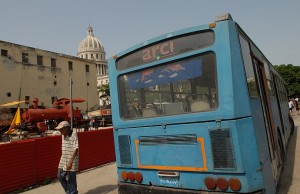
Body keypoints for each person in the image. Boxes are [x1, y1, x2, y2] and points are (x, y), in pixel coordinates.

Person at [56, 121, 79, 194]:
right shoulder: (63, 135)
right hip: (63, 159)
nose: (59, 130)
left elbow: (76, 148)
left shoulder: (73, 134)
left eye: (61, 129)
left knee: (71, 179)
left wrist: (70, 162)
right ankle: (69, 191)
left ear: (66, 128)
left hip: (71, 160)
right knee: (60, 175)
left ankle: (72, 192)